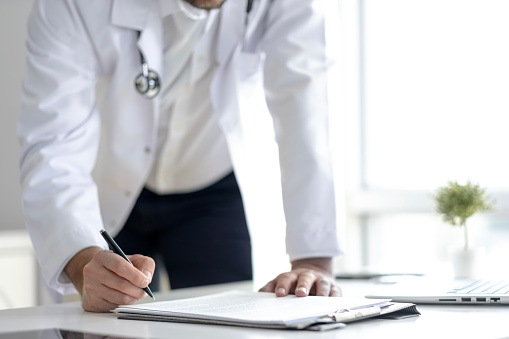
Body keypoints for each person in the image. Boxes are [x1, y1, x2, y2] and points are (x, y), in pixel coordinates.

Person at [18, 0, 341, 312]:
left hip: (213, 185)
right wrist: (81, 260)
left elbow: (306, 111)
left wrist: (313, 260)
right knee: (113, 322)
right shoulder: (71, 4)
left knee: (224, 326)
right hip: (106, 193)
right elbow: (53, 142)